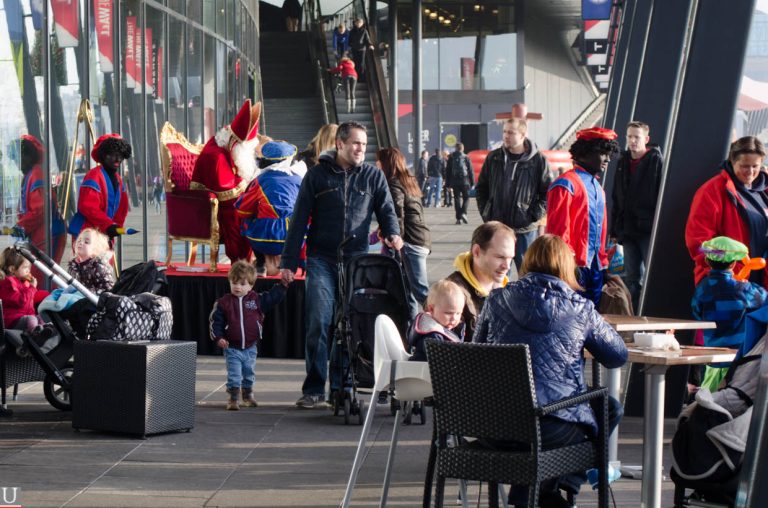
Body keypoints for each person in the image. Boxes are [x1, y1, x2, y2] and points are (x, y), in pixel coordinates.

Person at [473, 234, 628, 507]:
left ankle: (541, 492)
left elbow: (475, 354)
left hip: (494, 426)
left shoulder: (496, 300)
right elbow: (617, 356)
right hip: (549, 426)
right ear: (567, 267)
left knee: (600, 408)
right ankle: (551, 490)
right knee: (608, 408)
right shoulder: (580, 308)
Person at [280, 121, 402, 409]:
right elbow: (299, 220)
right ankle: (314, 389)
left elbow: (386, 209)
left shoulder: (373, 176)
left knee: (349, 323)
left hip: (356, 262)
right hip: (321, 259)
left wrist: (393, 233)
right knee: (319, 321)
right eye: (356, 143)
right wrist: (288, 262)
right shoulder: (317, 175)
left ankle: (342, 386)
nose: (361, 148)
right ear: (340, 144)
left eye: (364, 144)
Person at [547, 127, 621, 307]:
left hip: (595, 267)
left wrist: (603, 263)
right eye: (603, 153)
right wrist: (563, 265)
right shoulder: (565, 184)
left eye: (609, 154)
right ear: (586, 152)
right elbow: (558, 232)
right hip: (572, 266)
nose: (608, 159)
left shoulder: (597, 188)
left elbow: (601, 231)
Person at [686, 136, 768, 287]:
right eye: (744, 166)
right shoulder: (711, 191)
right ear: (732, 161)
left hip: (761, 282)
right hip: (728, 283)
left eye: (755, 166)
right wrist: (724, 269)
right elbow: (698, 242)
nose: (750, 172)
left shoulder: (764, 191)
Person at [191, 100, 263, 262]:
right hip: (208, 207)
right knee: (240, 215)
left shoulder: (227, 147)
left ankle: (255, 258)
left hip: (222, 202)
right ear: (236, 144)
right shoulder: (216, 157)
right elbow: (227, 195)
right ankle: (239, 259)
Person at [692, 236, 767, 391]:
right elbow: (764, 299)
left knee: (708, 395)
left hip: (712, 354)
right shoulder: (744, 289)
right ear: (733, 264)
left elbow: (696, 312)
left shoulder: (703, 288)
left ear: (707, 260)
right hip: (738, 355)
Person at [210, 261, 288, 410]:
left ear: (251, 286)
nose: (238, 287)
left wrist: (283, 285)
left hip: (251, 347)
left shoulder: (256, 300)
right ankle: (233, 398)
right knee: (234, 374)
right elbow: (216, 323)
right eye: (234, 283)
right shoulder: (223, 303)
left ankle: (247, 395)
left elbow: (273, 297)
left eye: (242, 284)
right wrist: (218, 337)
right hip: (232, 347)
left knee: (248, 372)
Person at [476, 117, 552, 270]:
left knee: (527, 272)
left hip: (525, 230)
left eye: (511, 132)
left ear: (523, 135)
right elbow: (482, 188)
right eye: (504, 132)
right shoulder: (494, 157)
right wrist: (486, 213)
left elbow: (548, 193)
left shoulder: (538, 160)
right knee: (497, 274)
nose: (506, 136)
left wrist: (533, 215)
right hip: (497, 228)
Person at [610, 121, 664, 312]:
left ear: (646, 139)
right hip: (627, 229)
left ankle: (650, 311)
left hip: (647, 228)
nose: (632, 141)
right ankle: (635, 314)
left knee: (651, 273)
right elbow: (616, 196)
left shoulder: (655, 161)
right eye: (629, 137)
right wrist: (614, 229)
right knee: (632, 276)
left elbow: (659, 195)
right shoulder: (623, 162)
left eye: (637, 137)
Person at [236, 141, 307, 276]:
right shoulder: (299, 179)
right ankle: (297, 263)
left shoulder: (260, 180)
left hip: (264, 239)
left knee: (246, 220)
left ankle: (261, 263)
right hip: (294, 240)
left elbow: (242, 210)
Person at [377, 147, 431, 319]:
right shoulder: (408, 180)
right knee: (409, 292)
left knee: (420, 291)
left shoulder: (394, 183)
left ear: (387, 163)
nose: (377, 164)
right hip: (419, 238)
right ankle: (412, 328)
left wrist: (394, 237)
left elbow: (397, 214)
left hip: (411, 242)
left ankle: (444, 322)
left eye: (379, 161)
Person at [445, 221, 515, 343]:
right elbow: (441, 348)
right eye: (500, 257)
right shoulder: (450, 293)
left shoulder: (509, 291)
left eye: (510, 258)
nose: (507, 266)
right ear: (476, 251)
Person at [15, 135, 67, 282]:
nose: (16, 162)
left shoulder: (36, 174)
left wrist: (20, 227)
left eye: (19, 157)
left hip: (48, 234)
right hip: (44, 234)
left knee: (43, 278)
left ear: (28, 156)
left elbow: (40, 210)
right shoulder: (32, 173)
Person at [67, 134, 131, 245]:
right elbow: (88, 207)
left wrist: (115, 227)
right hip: (86, 235)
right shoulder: (93, 176)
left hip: (104, 235)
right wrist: (109, 225)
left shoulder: (118, 180)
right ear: (103, 155)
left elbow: (122, 209)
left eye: (120, 155)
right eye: (113, 155)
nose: (117, 159)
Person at [407, 279, 465, 362]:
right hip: (423, 369)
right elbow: (442, 360)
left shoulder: (444, 326)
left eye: (458, 313)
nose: (454, 318)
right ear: (431, 309)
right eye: (448, 313)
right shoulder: (432, 335)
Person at [0, 247, 41, 331]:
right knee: (31, 319)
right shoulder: (8, 283)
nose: (28, 270)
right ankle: (36, 334)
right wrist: (32, 288)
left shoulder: (21, 281)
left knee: (40, 317)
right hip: (12, 320)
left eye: (29, 267)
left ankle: (46, 330)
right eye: (25, 267)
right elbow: (21, 302)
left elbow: (29, 299)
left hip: (24, 316)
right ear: (12, 269)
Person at [67, 228, 115, 295]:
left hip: (93, 298)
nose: (80, 243)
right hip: (77, 297)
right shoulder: (73, 266)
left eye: (86, 242)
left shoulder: (98, 266)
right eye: (79, 240)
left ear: (96, 250)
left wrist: (88, 292)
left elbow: (108, 289)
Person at [445, 142, 474, 225]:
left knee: (457, 199)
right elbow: (470, 171)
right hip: (465, 181)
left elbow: (448, 172)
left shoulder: (451, 157)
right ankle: (463, 213)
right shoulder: (466, 157)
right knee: (466, 198)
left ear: (456, 148)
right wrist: (472, 182)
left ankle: (458, 219)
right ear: (462, 148)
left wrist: (447, 184)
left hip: (454, 181)